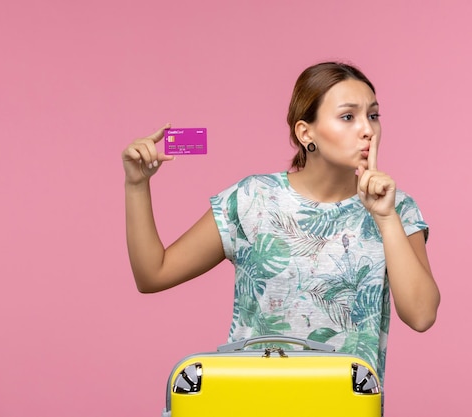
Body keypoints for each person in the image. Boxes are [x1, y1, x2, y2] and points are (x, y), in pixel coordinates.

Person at [122, 61, 440, 398]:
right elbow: (152, 275)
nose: (368, 130)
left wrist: (386, 217)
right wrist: (136, 185)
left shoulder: (396, 207)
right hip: (248, 401)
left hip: (343, 405)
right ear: (306, 133)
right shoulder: (253, 199)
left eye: (373, 115)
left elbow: (421, 315)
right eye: (348, 117)